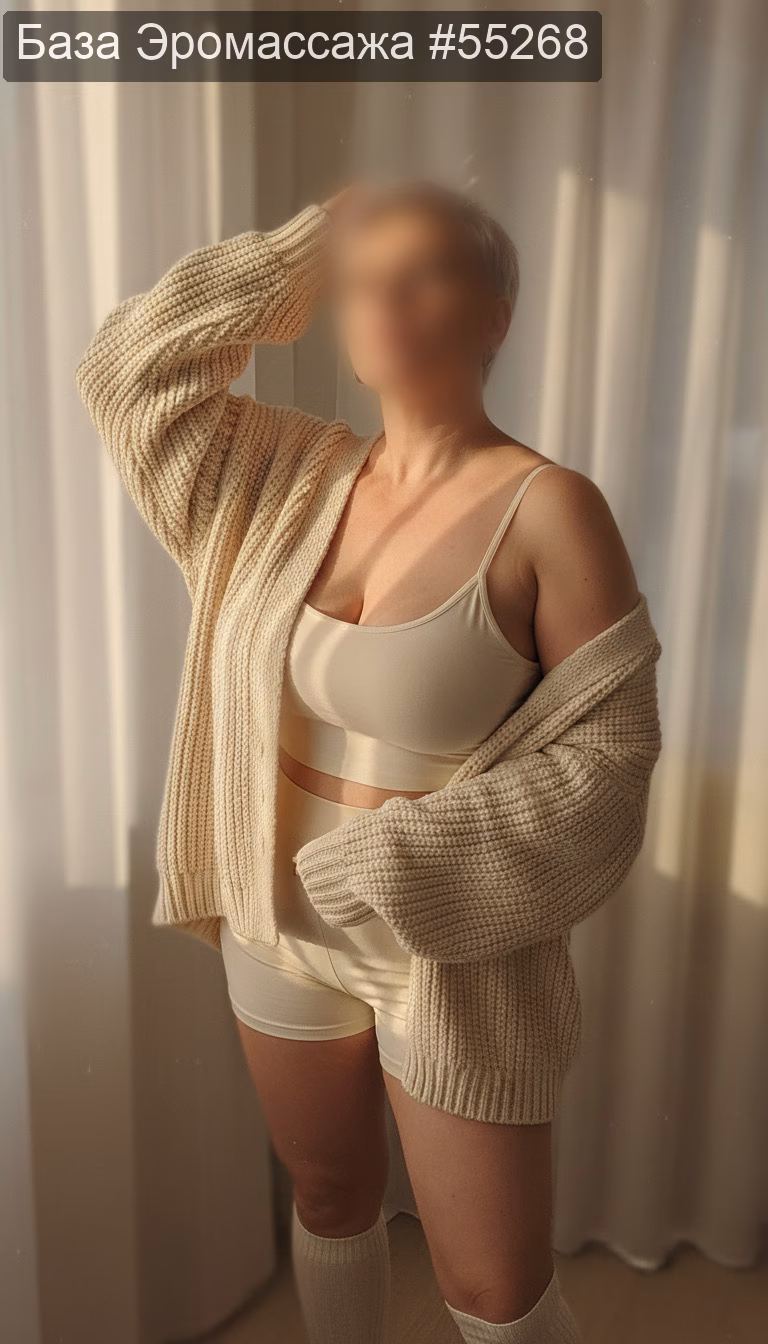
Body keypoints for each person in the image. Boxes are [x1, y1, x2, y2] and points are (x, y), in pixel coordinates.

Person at [77, 180, 661, 1344]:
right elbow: (125, 375)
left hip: (452, 948)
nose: (385, 299)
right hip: (277, 916)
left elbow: (610, 760)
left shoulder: (552, 510)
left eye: (426, 273)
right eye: (361, 281)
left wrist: (402, 857)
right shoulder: (280, 473)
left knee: (494, 1291)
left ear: (495, 314)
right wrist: (307, 242)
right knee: (332, 1199)